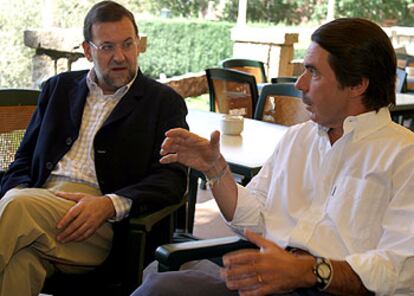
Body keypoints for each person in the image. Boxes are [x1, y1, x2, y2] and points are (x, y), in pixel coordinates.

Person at [132, 18, 414, 296]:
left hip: (334, 289)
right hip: (266, 280)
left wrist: (307, 270)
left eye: (313, 73)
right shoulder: (298, 138)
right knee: (159, 285)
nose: (300, 84)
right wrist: (216, 171)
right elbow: (255, 218)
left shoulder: (403, 155)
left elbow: (400, 268)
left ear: (357, 85)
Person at [0, 1, 188, 295]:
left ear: (138, 44)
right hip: (36, 207)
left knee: (16, 207)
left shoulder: (162, 103)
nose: (120, 56)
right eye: (107, 47)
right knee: (21, 263)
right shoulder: (57, 89)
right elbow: (23, 160)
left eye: (128, 44)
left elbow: (173, 179)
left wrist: (110, 204)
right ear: (88, 51)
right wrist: (17, 188)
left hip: (97, 225)